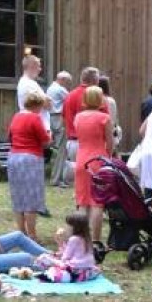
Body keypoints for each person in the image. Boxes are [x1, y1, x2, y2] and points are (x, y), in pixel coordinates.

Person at [7, 91, 51, 241]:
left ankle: (21, 232)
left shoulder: (16, 116)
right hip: (30, 158)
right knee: (31, 198)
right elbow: (45, 141)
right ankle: (32, 234)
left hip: (14, 157)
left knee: (18, 196)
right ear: (37, 105)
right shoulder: (35, 117)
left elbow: (10, 136)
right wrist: (49, 134)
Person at [74, 85, 114, 247]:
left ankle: (80, 238)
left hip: (81, 159)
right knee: (97, 202)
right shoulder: (104, 118)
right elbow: (110, 143)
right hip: (98, 159)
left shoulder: (78, 117)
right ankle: (96, 240)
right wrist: (109, 157)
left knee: (82, 201)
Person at [62, 66, 106, 181]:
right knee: (95, 179)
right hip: (94, 144)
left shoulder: (70, 95)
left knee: (79, 178)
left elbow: (64, 117)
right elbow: (106, 122)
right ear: (95, 81)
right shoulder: (99, 98)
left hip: (73, 141)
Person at [47, 71, 73, 187]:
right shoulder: (60, 89)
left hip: (51, 118)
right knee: (62, 151)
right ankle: (57, 179)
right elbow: (71, 99)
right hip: (58, 118)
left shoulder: (50, 88)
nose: (68, 85)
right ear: (62, 79)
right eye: (67, 82)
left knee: (57, 151)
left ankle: (56, 176)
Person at [17, 54, 51, 131]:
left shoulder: (30, 83)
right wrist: (47, 100)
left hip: (36, 126)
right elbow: (46, 104)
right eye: (39, 66)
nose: (40, 69)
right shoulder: (27, 84)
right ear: (32, 66)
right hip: (35, 127)